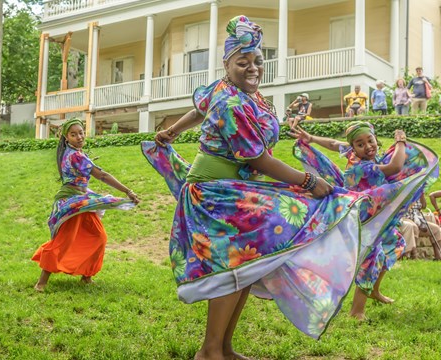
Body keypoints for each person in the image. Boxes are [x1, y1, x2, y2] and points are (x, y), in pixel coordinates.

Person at [143, 16, 368, 360]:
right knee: (234, 269)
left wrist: (172, 131)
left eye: (257, 61)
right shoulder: (230, 103)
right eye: (242, 62)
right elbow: (260, 159)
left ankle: (224, 348)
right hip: (214, 193)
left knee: (248, 265)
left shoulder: (231, 90)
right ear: (226, 64)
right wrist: (308, 181)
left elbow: (197, 109)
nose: (252, 68)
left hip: (235, 188)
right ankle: (209, 352)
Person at [290, 122, 438, 320]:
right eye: (360, 144)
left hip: (374, 215)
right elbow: (395, 167)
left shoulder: (358, 154)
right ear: (354, 148)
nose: (368, 146)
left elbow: (334, 143)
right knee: (371, 257)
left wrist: (312, 138)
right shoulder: (362, 167)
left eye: (370, 140)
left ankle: (374, 291)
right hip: (363, 219)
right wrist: (401, 141)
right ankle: (356, 311)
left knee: (396, 243)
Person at [32, 118, 139, 292]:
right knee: (63, 242)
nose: (79, 137)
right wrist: (127, 191)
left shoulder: (75, 152)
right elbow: (102, 175)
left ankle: (86, 277)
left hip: (81, 200)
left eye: (81, 133)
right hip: (72, 202)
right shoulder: (75, 155)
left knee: (98, 237)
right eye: (73, 134)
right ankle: (41, 282)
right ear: (67, 138)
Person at [402, 193, 441, 260]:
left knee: (436, 229)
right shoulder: (405, 191)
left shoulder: (418, 192)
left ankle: (438, 256)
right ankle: (413, 256)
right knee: (415, 227)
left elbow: (423, 206)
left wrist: (421, 194)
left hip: (418, 219)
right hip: (406, 218)